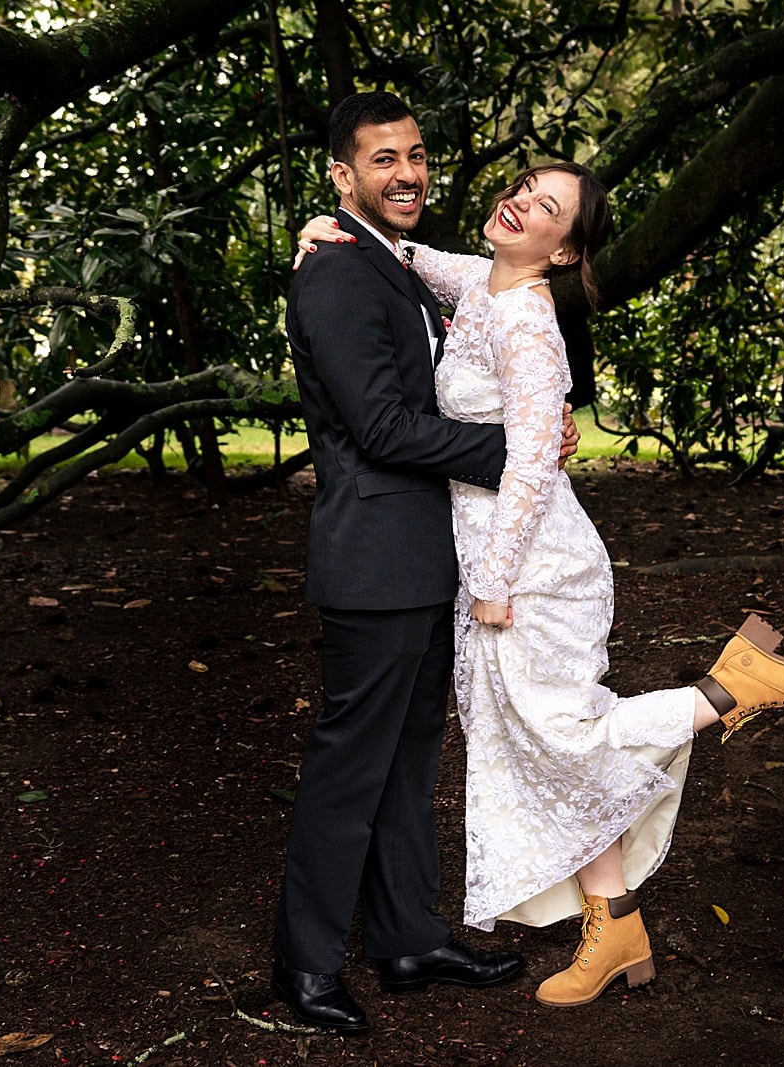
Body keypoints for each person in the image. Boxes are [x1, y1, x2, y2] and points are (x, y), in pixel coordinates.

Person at [293, 159, 784, 1008]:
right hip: (501, 559)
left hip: (532, 565)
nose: (519, 204)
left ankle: (728, 689)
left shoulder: (525, 322)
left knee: (563, 733)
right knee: (541, 741)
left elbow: (525, 471)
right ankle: (614, 921)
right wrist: (325, 230)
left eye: (546, 208)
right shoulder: (479, 278)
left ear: (563, 250)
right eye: (522, 187)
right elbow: (401, 256)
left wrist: (492, 578)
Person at [272, 92, 586, 1035]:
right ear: (343, 174)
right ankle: (304, 964)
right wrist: (514, 450)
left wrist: (525, 431)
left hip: (431, 551)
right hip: (373, 556)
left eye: (415, 155)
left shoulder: (394, 263)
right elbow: (375, 424)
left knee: (411, 759)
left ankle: (407, 936)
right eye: (382, 161)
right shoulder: (333, 276)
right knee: (349, 766)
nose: (407, 173)